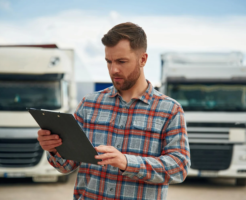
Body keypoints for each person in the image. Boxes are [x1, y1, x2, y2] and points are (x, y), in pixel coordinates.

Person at [37, 22, 190, 200]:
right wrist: (54, 149)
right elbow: (66, 166)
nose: (113, 69)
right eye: (108, 62)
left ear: (143, 59)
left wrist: (127, 163)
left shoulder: (170, 110)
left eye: (121, 61)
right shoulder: (89, 104)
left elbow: (179, 168)